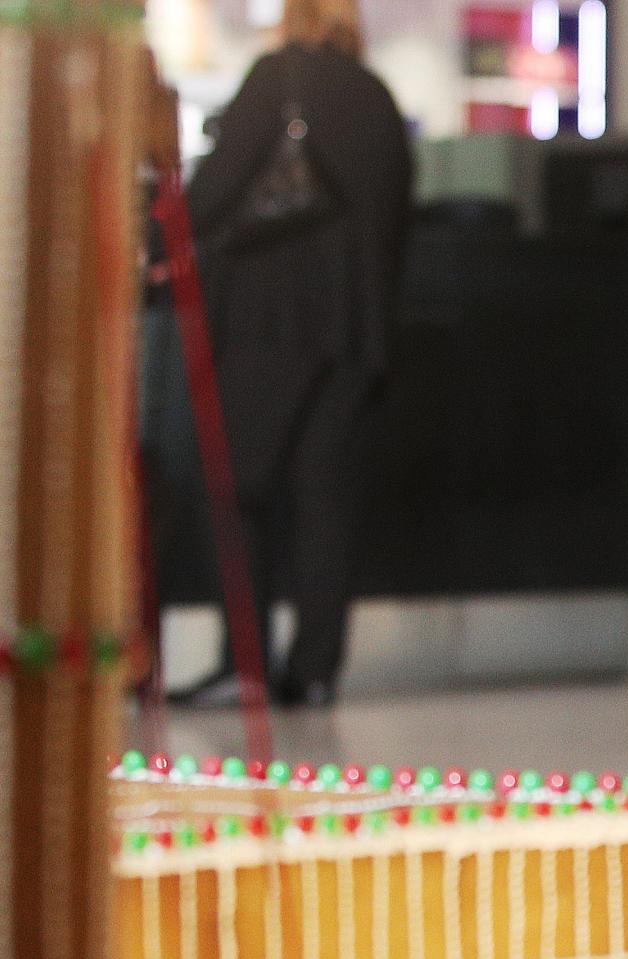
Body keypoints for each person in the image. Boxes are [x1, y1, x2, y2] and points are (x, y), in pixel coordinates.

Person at [173, 0, 412, 706]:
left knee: (231, 487)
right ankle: (314, 670)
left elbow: (215, 191)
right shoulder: (377, 98)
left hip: (271, 320)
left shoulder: (277, 79)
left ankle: (244, 662)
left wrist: (155, 244)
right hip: (357, 332)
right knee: (323, 502)